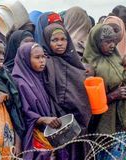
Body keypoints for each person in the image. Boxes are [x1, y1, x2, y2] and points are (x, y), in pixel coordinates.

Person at [83, 24, 126, 159]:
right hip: (107, 124)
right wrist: (113, 95)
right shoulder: (89, 66)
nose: (112, 45)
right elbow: (88, 103)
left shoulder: (117, 58)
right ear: (96, 41)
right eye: (107, 42)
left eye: (114, 41)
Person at [41, 23, 92, 159]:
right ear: (46, 41)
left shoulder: (74, 61)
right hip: (61, 123)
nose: (60, 44)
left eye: (63, 39)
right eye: (54, 40)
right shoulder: (46, 63)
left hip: (80, 120)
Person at [12, 42, 68, 159]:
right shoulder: (20, 82)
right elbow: (20, 113)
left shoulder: (42, 76)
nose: (42, 60)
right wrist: (42, 119)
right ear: (25, 59)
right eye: (37, 57)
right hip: (34, 134)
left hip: (49, 130)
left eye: (43, 57)